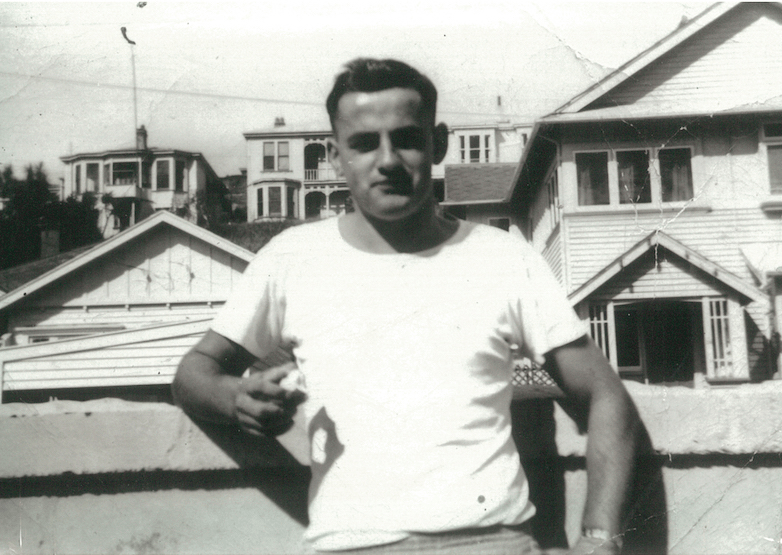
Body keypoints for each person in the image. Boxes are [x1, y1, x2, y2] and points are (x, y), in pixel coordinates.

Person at [172, 58, 641, 555]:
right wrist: (235, 397)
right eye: (364, 143)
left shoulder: (501, 258)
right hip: (350, 546)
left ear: (437, 143)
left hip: (491, 542)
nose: (389, 160)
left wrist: (598, 538)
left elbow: (606, 396)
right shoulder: (292, 257)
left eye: (407, 139)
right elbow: (193, 373)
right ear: (334, 156)